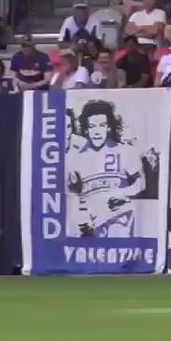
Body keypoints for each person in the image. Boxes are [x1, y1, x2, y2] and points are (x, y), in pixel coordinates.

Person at [66, 99, 145, 237]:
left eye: (101, 125)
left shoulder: (124, 151)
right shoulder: (75, 158)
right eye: (92, 126)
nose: (97, 132)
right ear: (86, 129)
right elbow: (73, 195)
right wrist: (81, 214)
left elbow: (141, 183)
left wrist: (121, 193)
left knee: (117, 234)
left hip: (120, 216)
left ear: (108, 127)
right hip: (93, 222)